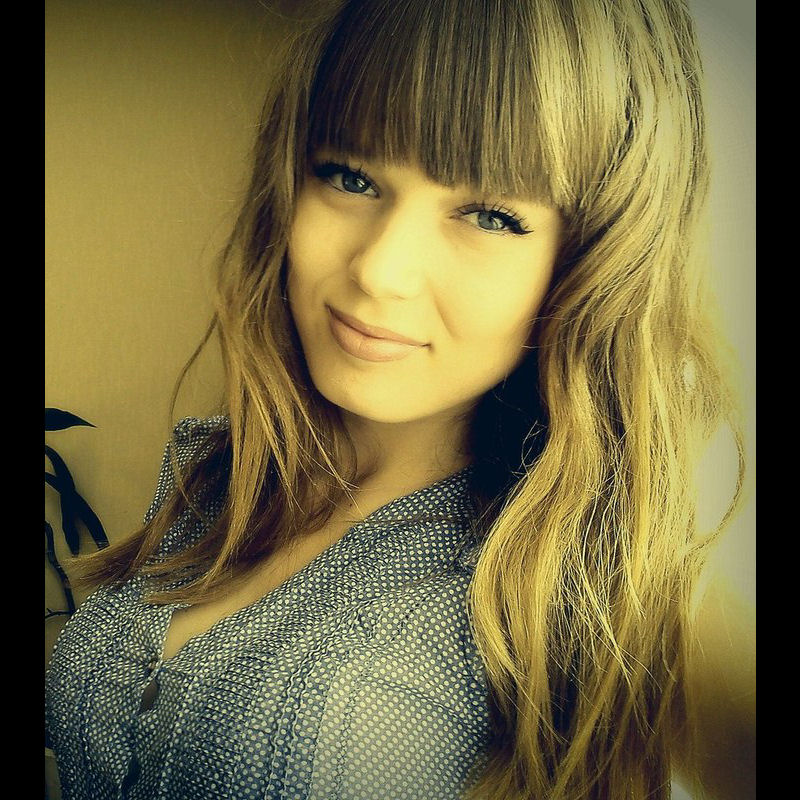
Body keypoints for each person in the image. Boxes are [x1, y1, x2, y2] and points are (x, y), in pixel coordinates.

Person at [45, 0, 755, 798]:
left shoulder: (614, 578)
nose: (380, 270)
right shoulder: (217, 472)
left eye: (490, 216)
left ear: (594, 260)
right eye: (350, 176)